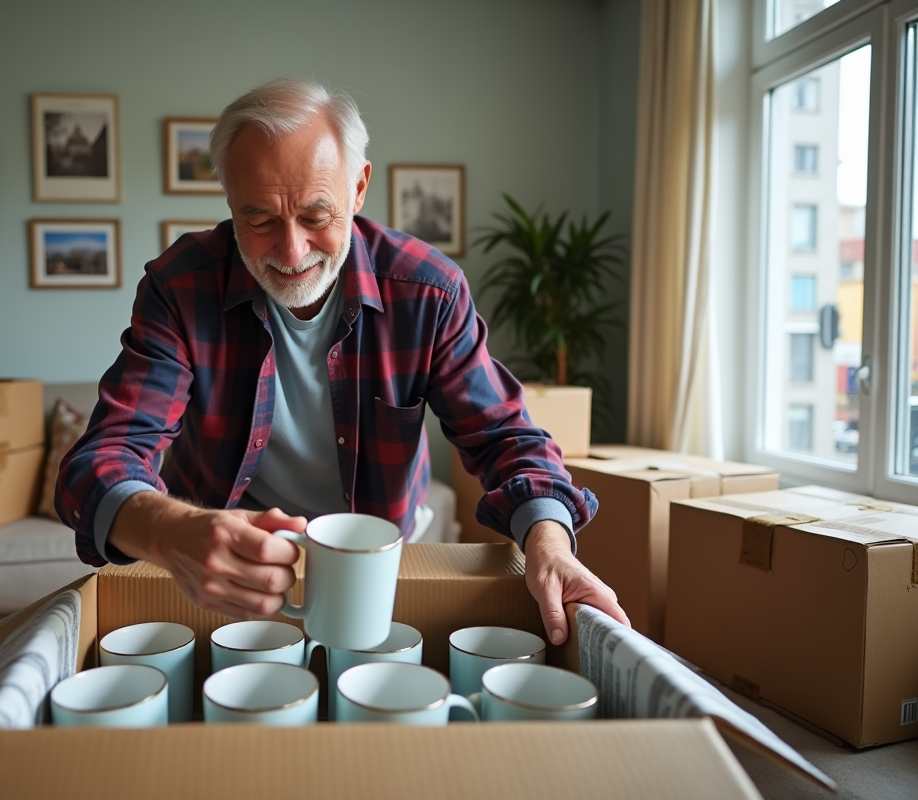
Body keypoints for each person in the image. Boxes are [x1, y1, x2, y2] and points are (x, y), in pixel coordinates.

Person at [56, 78, 629, 646]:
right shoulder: (180, 287)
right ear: (229, 201)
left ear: (358, 188)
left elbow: (506, 438)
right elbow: (98, 463)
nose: (291, 251)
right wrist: (173, 533)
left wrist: (550, 545)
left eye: (315, 215)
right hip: (219, 566)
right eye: (259, 220)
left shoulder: (428, 291)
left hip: (376, 558)